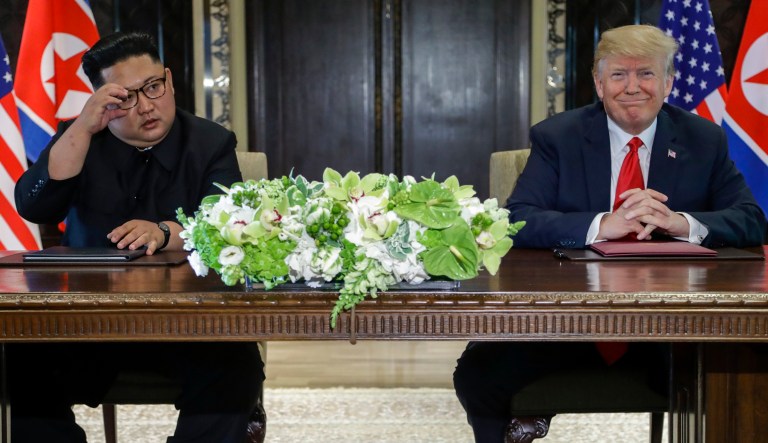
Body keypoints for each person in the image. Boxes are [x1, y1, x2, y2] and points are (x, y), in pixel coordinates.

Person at [453, 24, 768, 443]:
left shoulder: (703, 139)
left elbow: (751, 219)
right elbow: (519, 219)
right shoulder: (558, 137)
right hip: (566, 323)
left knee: (747, 364)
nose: (632, 87)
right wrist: (603, 224)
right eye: (619, 74)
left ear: (669, 83)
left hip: (673, 329)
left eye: (646, 74)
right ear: (599, 84)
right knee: (478, 374)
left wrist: (682, 223)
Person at [12, 32, 264, 443]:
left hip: (188, 324)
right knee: (16, 364)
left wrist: (166, 232)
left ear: (167, 79)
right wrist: (80, 129)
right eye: (123, 98)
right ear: (100, 103)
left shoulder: (210, 142)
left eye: (152, 87)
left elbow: (229, 223)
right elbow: (32, 206)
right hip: (89, 323)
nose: (146, 105)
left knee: (237, 368)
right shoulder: (80, 140)